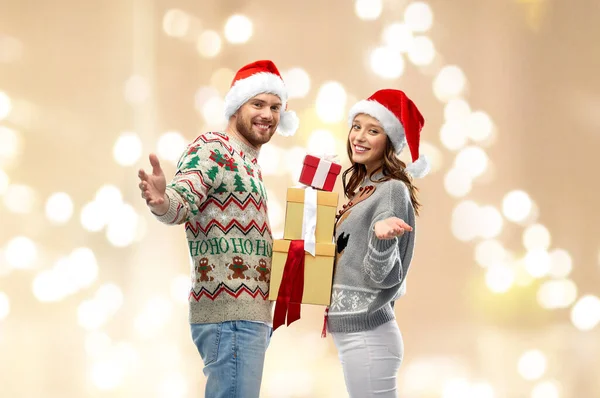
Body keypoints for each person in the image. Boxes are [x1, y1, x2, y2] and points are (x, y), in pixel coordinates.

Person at [137, 60, 298, 398]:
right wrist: (161, 200)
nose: (268, 114)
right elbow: (182, 201)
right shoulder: (213, 148)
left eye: (275, 107)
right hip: (231, 316)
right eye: (258, 104)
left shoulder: (248, 162)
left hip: (248, 316)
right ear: (237, 105)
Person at [326, 89, 429, 397]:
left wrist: (382, 241)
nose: (359, 136)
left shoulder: (391, 190)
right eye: (356, 126)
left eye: (373, 130)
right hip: (357, 336)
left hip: (368, 336)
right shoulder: (364, 188)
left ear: (389, 141)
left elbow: (383, 276)